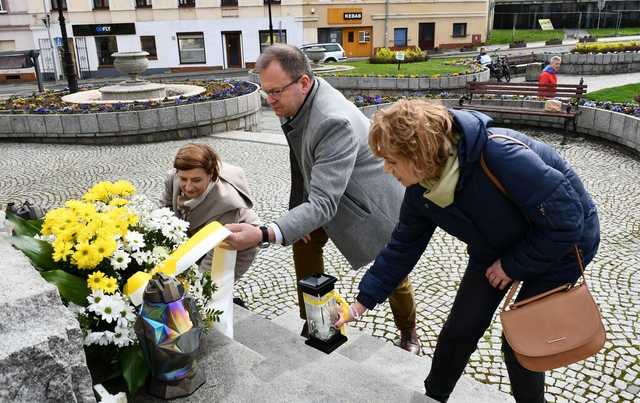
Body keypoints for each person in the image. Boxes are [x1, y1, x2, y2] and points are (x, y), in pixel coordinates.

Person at [335, 99, 600, 403]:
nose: (386, 169)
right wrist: (358, 305)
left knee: (521, 341)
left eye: (392, 161)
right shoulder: (422, 189)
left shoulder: (500, 155)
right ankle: (433, 397)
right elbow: (402, 247)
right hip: (495, 243)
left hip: (564, 243)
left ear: (418, 155)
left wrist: (512, 266)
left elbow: (568, 221)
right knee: (459, 331)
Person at [223, 43, 421, 354]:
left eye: (275, 92)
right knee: (303, 243)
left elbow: (325, 204)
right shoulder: (296, 98)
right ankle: (314, 317)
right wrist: (295, 213)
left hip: (368, 203)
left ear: (303, 82)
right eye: (266, 92)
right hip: (327, 188)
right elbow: (301, 159)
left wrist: (263, 234)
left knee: (393, 271)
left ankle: (408, 330)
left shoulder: (332, 120)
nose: (269, 100)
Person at [162, 143, 259, 281]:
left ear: (211, 175)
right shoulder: (173, 178)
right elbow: (163, 213)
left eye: (196, 180)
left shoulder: (227, 202)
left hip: (235, 244)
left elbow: (213, 258)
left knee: (214, 286)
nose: (188, 187)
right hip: (195, 237)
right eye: (183, 179)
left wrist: (197, 289)